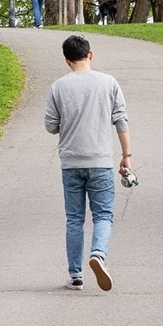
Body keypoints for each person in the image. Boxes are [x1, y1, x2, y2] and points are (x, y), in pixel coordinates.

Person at [44, 34, 131, 291]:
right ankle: (98, 255)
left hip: (70, 163)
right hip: (101, 161)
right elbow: (121, 120)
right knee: (103, 215)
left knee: (74, 219)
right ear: (90, 54)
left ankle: (75, 276)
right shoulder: (109, 83)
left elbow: (50, 126)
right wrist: (126, 155)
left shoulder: (58, 87)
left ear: (66, 60)